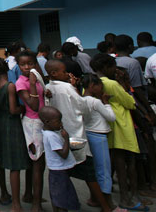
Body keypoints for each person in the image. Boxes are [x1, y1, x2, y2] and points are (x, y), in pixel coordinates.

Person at [45, 60, 112, 212]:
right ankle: (105, 206)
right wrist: (74, 87)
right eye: (64, 71)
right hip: (76, 135)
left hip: (60, 136)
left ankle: (61, 206)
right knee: (89, 174)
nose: (67, 74)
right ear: (54, 73)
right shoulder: (68, 88)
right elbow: (83, 107)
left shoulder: (47, 88)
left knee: (62, 174)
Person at [90, 54, 141, 210]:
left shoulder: (91, 82)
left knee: (109, 162)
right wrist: (124, 85)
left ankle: (101, 196)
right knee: (127, 162)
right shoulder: (111, 83)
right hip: (120, 125)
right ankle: (128, 197)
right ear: (106, 68)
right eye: (113, 67)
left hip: (103, 126)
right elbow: (130, 102)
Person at [0, 57, 29, 212]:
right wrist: (24, 109)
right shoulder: (10, 86)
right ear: (7, 69)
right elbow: (13, 109)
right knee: (14, 164)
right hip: (11, 125)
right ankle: (16, 204)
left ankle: (4, 194)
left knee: (1, 161)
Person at [81, 74, 117, 208]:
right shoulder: (96, 102)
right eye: (100, 86)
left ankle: (95, 197)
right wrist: (106, 103)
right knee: (104, 169)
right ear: (92, 86)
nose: (102, 89)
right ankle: (107, 202)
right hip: (99, 135)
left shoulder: (81, 99)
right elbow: (111, 117)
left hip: (88, 133)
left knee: (94, 168)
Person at [15, 50, 45, 212]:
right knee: (37, 164)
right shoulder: (22, 83)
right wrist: (32, 84)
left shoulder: (38, 79)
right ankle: (36, 205)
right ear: (18, 66)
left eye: (30, 64)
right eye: (23, 64)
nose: (27, 67)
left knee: (36, 163)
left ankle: (29, 194)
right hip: (33, 123)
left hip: (42, 122)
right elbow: (33, 105)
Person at [39, 106, 80, 212]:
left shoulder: (47, 132)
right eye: (58, 121)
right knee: (62, 198)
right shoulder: (51, 136)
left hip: (57, 170)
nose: (61, 124)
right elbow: (63, 154)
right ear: (47, 122)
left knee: (57, 196)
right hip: (59, 171)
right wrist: (66, 139)